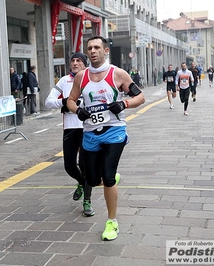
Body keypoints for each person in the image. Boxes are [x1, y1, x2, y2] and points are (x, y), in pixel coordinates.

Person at [67, 36, 145, 241]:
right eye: (89, 48)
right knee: (92, 180)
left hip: (114, 130)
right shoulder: (81, 77)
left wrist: (124, 104)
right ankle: (109, 178)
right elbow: (71, 100)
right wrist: (78, 110)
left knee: (108, 178)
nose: (93, 51)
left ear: (105, 51)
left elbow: (140, 97)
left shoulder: (117, 74)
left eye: (97, 48)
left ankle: (112, 222)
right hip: (90, 132)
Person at [45, 52, 94, 217]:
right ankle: (81, 183)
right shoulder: (64, 81)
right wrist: (64, 102)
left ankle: (87, 201)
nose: (75, 63)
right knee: (69, 165)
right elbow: (48, 101)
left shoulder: (92, 78)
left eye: (78, 60)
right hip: (71, 128)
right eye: (72, 60)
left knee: (85, 165)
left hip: (88, 128)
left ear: (84, 64)